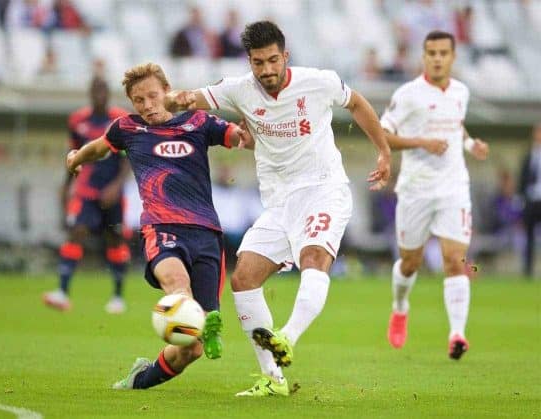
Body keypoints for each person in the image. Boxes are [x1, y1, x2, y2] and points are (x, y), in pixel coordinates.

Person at [166, 20, 391, 396]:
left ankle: (286, 336)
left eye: (273, 60)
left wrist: (384, 151)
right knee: (243, 279)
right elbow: (191, 98)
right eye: (258, 63)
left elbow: (357, 103)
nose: (267, 70)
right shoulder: (239, 89)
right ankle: (273, 379)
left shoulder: (318, 82)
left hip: (323, 190)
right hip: (279, 203)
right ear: (249, 61)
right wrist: (165, 99)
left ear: (285, 56)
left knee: (315, 258)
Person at [64, 63, 252, 390]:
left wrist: (247, 131)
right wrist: (77, 158)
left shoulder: (198, 122)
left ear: (167, 90)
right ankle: (190, 311)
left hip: (206, 232)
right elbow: (99, 147)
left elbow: (238, 138)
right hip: (161, 227)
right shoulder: (127, 129)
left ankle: (140, 380)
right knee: (178, 284)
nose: (147, 105)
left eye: (152, 96)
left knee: (191, 348)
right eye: (138, 100)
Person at [380, 30, 489, 360]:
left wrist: (471, 144)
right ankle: (400, 308)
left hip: (454, 188)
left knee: (455, 261)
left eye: (443, 52)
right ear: (423, 57)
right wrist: (421, 143)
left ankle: (457, 334)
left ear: (453, 57)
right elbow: (384, 135)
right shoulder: (408, 94)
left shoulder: (461, 92)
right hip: (416, 190)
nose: (438, 58)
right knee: (410, 263)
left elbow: (456, 124)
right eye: (431, 53)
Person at [43, 77, 131, 314]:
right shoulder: (77, 120)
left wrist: (116, 186)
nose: (99, 94)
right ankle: (62, 292)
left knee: (115, 238)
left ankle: (118, 295)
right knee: (77, 232)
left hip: (112, 192)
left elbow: (127, 160)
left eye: (103, 90)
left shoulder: (120, 119)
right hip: (86, 191)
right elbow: (74, 154)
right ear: (90, 93)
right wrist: (66, 184)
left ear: (108, 93)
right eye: (95, 90)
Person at [518, 123, 541, 277]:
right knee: (529, 236)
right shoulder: (529, 155)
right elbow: (522, 179)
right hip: (532, 200)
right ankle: (528, 270)